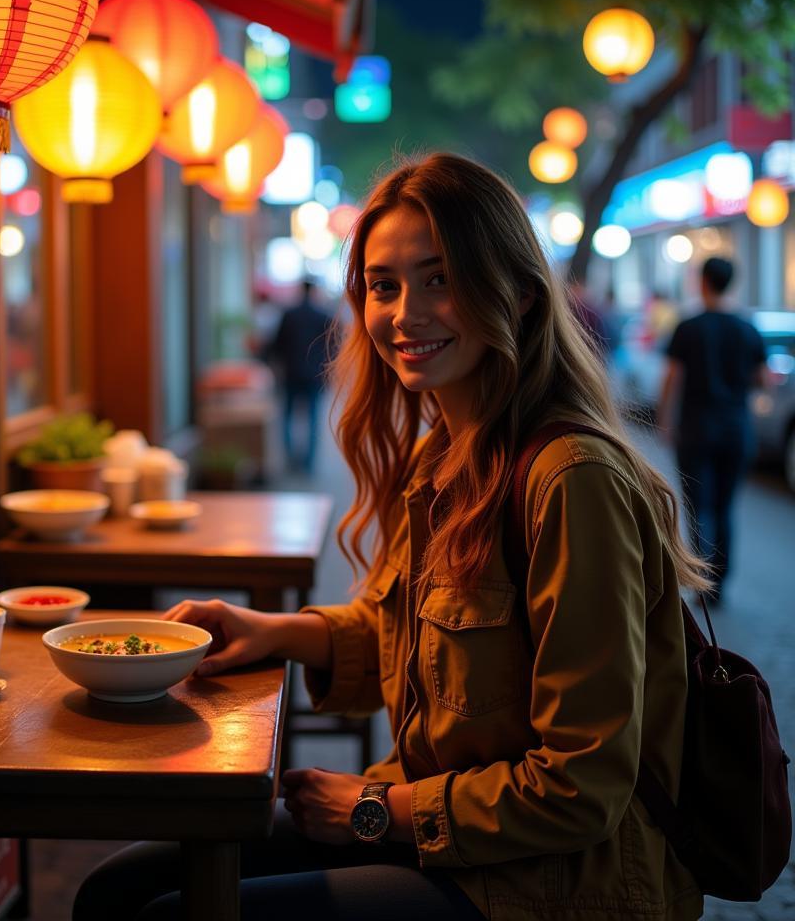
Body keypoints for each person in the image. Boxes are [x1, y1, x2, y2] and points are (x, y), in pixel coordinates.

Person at [74, 153, 709, 921]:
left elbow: (583, 788)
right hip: (450, 835)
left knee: (166, 912)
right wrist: (272, 629)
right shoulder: (442, 452)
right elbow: (403, 629)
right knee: (116, 888)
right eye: (384, 286)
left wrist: (372, 811)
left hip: (558, 881)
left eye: (440, 279)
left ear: (515, 291)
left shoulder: (572, 480)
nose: (407, 312)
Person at [658, 256, 769, 597]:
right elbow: (763, 379)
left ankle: (702, 577)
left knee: (697, 507)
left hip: (695, 430)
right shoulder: (747, 328)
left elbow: (672, 379)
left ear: (703, 282)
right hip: (736, 430)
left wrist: (665, 421)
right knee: (725, 506)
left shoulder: (688, 326)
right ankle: (721, 582)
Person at [264, 278, 334, 473]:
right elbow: (332, 347)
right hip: (315, 375)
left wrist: (273, 364)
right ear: (314, 291)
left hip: (291, 373)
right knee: (313, 418)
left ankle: (290, 459)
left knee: (287, 417)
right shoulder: (322, 316)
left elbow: (277, 344)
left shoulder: (289, 315)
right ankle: (308, 463)